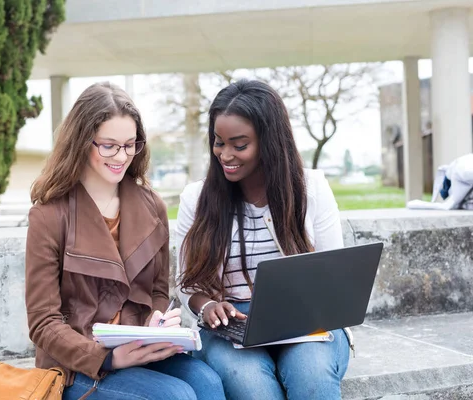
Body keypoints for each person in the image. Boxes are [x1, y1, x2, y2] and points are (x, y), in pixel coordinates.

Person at [25, 82, 225, 400]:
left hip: (141, 348)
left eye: (131, 145)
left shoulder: (152, 206)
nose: (122, 156)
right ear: (81, 142)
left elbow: (159, 291)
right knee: (174, 397)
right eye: (109, 145)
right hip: (77, 366)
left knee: (208, 383)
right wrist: (109, 357)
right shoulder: (49, 215)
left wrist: (156, 321)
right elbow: (42, 322)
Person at [176, 79, 351, 400]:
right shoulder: (197, 198)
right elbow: (187, 284)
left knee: (312, 379)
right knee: (252, 387)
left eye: (239, 145)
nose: (225, 155)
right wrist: (209, 306)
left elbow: (332, 274)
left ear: (269, 141)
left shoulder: (310, 189)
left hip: (305, 319)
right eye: (218, 142)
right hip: (231, 323)